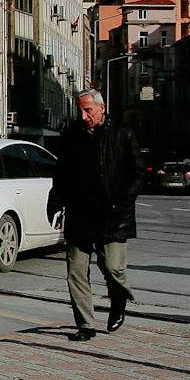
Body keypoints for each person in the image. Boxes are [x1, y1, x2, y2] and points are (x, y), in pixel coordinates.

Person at [47, 87, 141, 341]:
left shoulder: (122, 135)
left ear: (102, 108)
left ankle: (118, 298)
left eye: (88, 110)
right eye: (80, 110)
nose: (83, 115)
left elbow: (137, 173)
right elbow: (61, 174)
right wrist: (55, 202)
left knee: (112, 268)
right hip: (80, 214)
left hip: (113, 214)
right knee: (76, 271)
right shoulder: (71, 137)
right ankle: (86, 324)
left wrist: (122, 201)